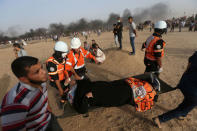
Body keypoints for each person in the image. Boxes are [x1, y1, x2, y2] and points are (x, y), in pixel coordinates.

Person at [0, 56, 62, 131]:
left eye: (41, 67)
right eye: (37, 72)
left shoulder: (40, 82)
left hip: (49, 120)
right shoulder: (15, 104)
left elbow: (44, 98)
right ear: (24, 79)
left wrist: (49, 110)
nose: (44, 72)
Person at [67, 74, 159, 114]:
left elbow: (83, 80)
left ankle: (152, 91)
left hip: (116, 87)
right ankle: (153, 92)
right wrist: (86, 97)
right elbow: (82, 110)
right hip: (110, 96)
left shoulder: (81, 84)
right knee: (128, 95)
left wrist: (74, 81)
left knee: (128, 88)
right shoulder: (77, 99)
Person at [153, 51, 197, 128]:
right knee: (186, 106)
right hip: (193, 90)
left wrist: (183, 79)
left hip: (185, 82)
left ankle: (183, 115)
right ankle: (160, 119)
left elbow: (188, 66)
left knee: (188, 101)